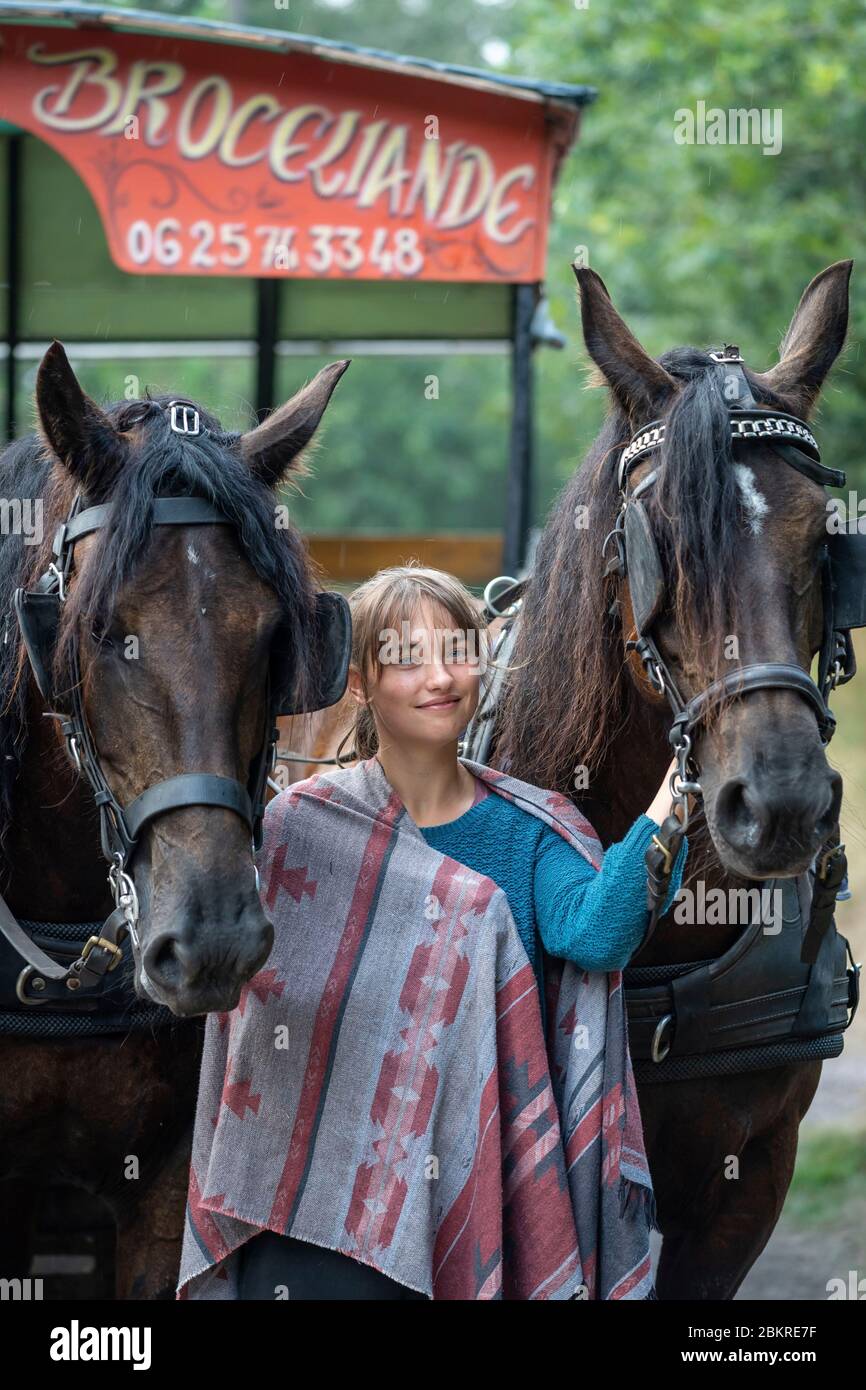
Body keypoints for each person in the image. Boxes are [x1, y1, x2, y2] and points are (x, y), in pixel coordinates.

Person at [176, 565, 688, 1302]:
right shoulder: (296, 832)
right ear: (360, 683)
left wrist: (684, 779)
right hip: (308, 1218)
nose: (441, 677)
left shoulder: (525, 829)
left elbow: (600, 933)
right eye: (408, 658)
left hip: (478, 1190)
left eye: (458, 651)